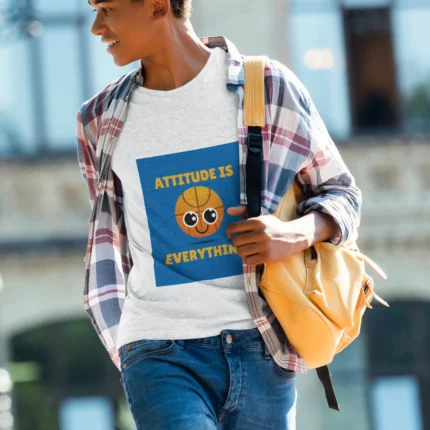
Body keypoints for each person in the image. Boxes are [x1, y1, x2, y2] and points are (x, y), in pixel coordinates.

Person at [76, 0, 361, 428]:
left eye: (107, 9)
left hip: (262, 346)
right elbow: (117, 235)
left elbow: (341, 193)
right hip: (158, 348)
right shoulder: (100, 120)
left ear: (158, 6)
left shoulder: (265, 86)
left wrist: (294, 234)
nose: (97, 27)